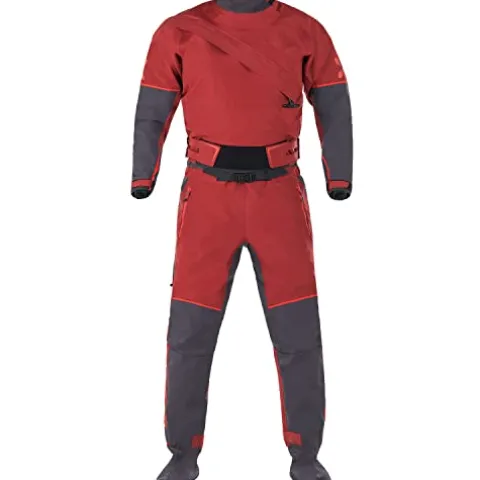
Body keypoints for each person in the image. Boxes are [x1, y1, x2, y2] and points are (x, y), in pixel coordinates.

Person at [131, 1, 353, 478]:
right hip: (208, 197)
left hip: (279, 195)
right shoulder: (179, 32)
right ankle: (182, 455)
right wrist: (142, 173)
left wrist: (339, 174)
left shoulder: (304, 30)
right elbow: (152, 107)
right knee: (190, 331)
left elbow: (334, 102)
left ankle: (306, 457)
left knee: (298, 331)